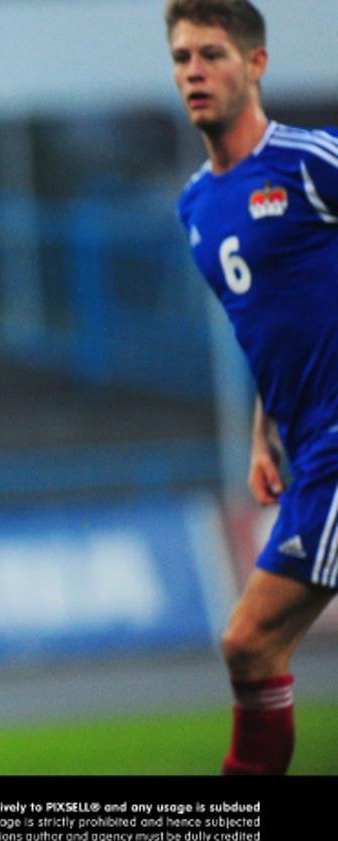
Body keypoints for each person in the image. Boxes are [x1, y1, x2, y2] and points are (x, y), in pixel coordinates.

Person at [167, 0, 338, 774]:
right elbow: (267, 322)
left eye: (212, 54)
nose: (195, 72)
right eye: (182, 58)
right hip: (308, 445)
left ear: (256, 64)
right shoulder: (196, 204)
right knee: (252, 649)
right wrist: (262, 428)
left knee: (249, 639)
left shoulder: (310, 161)